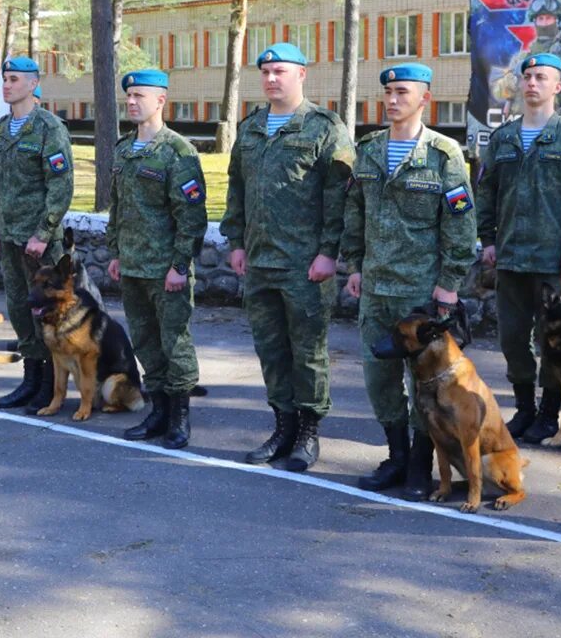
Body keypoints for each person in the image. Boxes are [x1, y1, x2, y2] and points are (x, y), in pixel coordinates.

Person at [342, 63, 476, 499]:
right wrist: (355, 265)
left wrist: (450, 283)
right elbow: (355, 213)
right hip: (377, 286)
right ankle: (396, 456)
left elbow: (460, 224)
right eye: (388, 92)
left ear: (425, 99)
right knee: (377, 379)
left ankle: (421, 463)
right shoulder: (369, 150)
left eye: (403, 91)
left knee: (426, 383)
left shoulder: (443, 154)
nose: (393, 99)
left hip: (422, 293)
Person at [221, 42, 355, 473]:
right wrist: (236, 242)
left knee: (309, 352)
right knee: (271, 351)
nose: (271, 78)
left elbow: (341, 197)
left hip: (305, 265)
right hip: (260, 262)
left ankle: (308, 434)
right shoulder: (251, 127)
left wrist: (328, 254)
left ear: (302, 74)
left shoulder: (324, 127)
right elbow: (236, 189)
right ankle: (282, 427)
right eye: (265, 72)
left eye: (280, 70)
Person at [476, 54, 561, 444]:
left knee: (554, 338)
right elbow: (486, 192)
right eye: (527, 77)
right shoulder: (503, 138)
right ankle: (525, 408)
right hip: (511, 257)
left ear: (556, 87)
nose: (531, 83)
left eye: (540, 77)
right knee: (512, 339)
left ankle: (550, 412)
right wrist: (489, 239)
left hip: (553, 259)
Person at [107, 69, 208, 449]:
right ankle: (159, 411)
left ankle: (179, 418)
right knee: (146, 343)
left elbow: (192, 217)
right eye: (129, 96)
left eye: (140, 96)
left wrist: (180, 266)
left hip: (167, 271)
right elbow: (117, 208)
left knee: (175, 343)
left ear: (161, 100)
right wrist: (115, 252)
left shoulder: (177, 151)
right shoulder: (122, 149)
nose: (132, 102)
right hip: (133, 266)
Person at [0, 57, 75, 413]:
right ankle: (31, 377)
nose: (6, 85)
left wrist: (43, 233)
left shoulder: (49, 127)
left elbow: (61, 184)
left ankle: (52, 384)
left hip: (38, 240)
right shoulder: (4, 128)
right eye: (4, 79)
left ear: (33, 84)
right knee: (20, 308)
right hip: (8, 235)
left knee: (47, 313)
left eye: (14, 79)